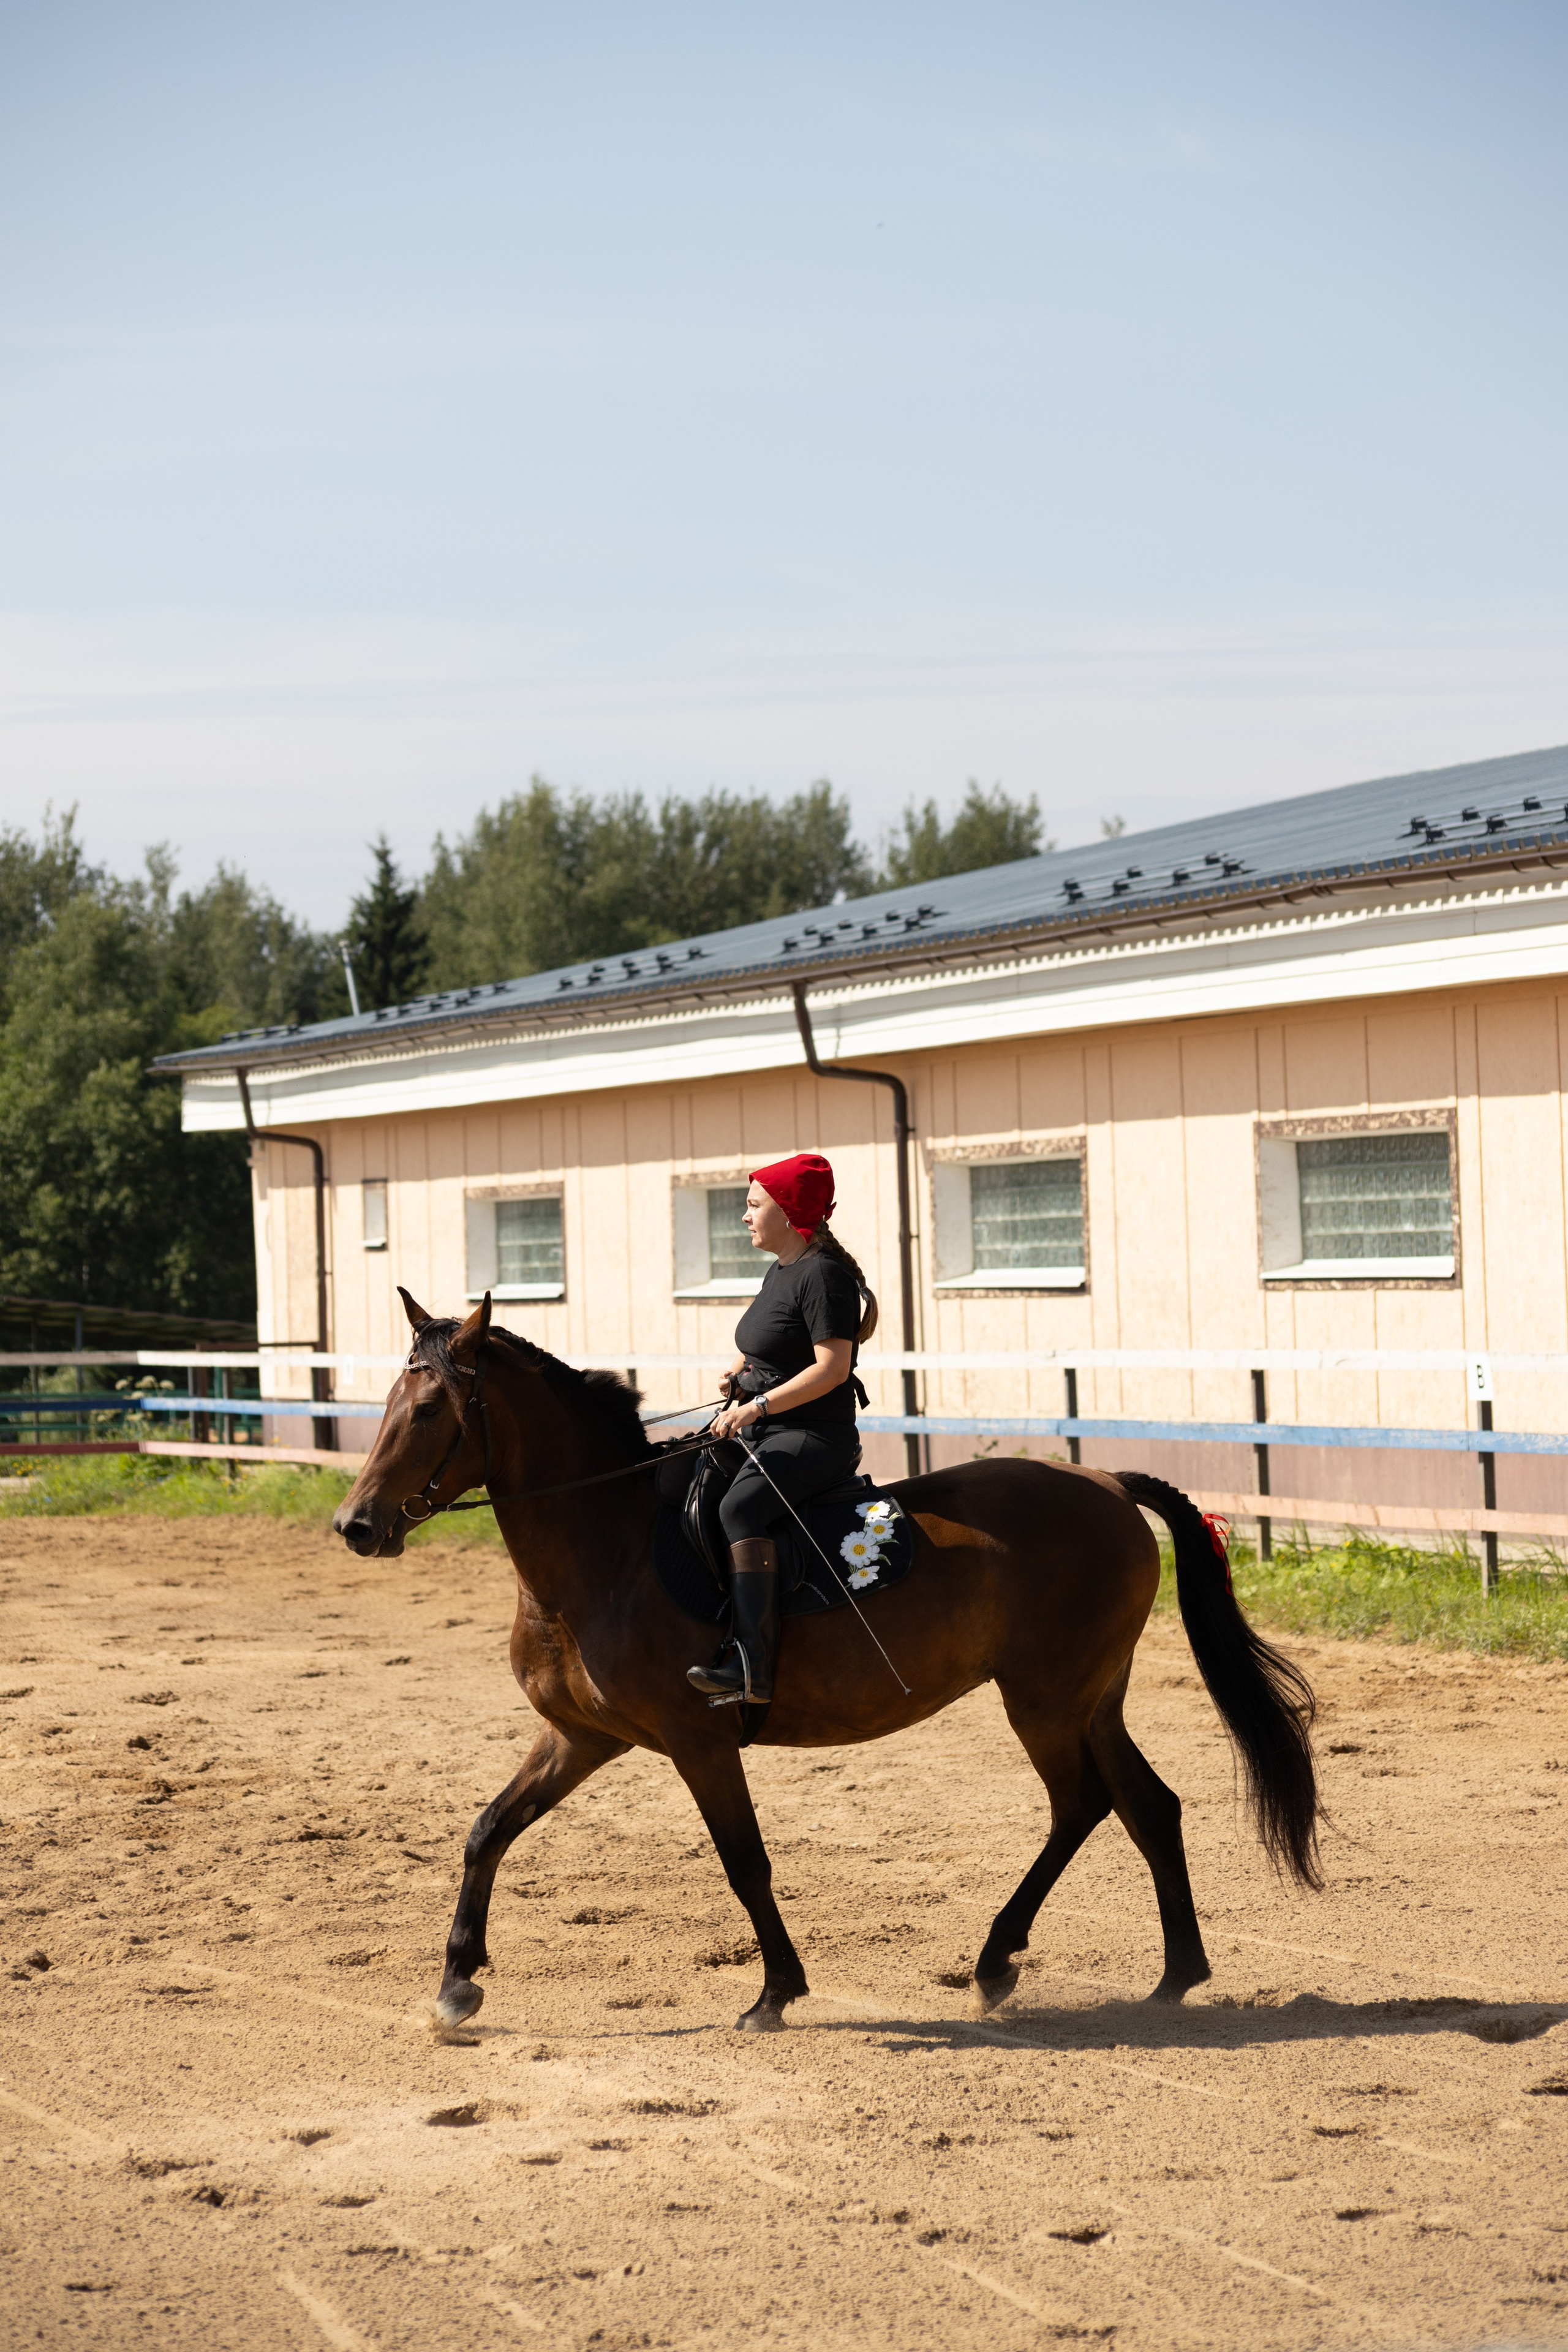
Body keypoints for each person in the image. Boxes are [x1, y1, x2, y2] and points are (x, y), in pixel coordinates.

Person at [687, 1152, 878, 1708]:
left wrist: (758, 1406)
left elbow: (831, 1369)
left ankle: (752, 1665)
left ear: (789, 1210)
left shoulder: (823, 1275)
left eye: (753, 1206)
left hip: (816, 1436)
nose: (745, 1217)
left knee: (740, 1510)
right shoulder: (784, 1269)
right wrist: (742, 1373)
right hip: (771, 1424)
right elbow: (780, 1348)